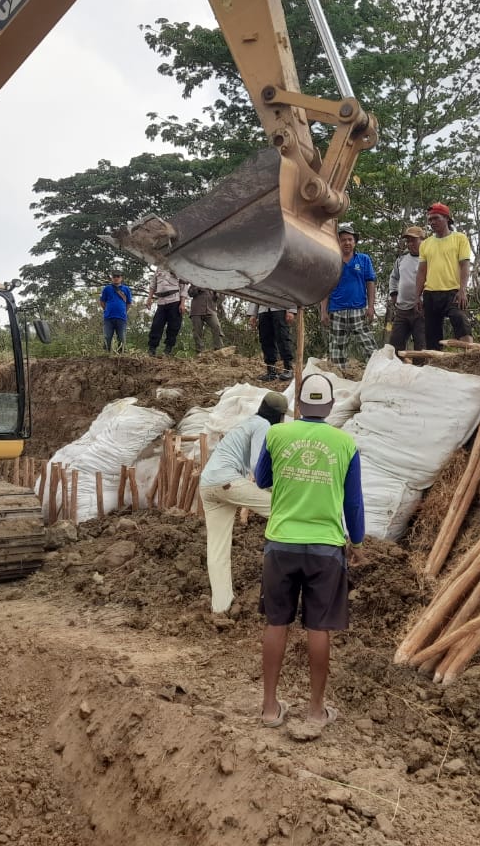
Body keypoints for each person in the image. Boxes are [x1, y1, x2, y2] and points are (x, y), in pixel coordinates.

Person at [254, 373, 364, 729]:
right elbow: (354, 504)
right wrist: (358, 542)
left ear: (299, 405)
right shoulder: (345, 444)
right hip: (325, 549)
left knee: (276, 623)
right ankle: (315, 710)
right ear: (330, 406)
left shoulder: (276, 434)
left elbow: (261, 480)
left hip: (281, 543)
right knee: (318, 628)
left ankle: (270, 708)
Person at [198, 390, 289, 614]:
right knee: (285, 509)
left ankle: (221, 608)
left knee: (217, 549)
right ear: (280, 417)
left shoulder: (247, 423)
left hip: (208, 485)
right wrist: (280, 489)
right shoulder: (263, 426)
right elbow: (259, 468)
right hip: (227, 481)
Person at [319, 223, 377, 372]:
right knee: (337, 350)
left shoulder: (363, 260)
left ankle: (376, 374)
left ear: (355, 241)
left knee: (369, 346)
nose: (347, 243)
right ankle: (340, 378)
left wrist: (371, 307)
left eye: (350, 239)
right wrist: (323, 311)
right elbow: (325, 287)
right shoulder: (331, 260)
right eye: (343, 240)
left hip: (359, 310)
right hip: (337, 311)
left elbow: (370, 283)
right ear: (338, 242)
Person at [416, 202, 473, 348]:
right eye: (430, 220)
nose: (432, 222)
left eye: (436, 218)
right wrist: (417, 296)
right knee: (431, 333)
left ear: (447, 218)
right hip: (430, 293)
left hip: (453, 292)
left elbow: (465, 265)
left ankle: (471, 355)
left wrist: (462, 290)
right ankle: (434, 363)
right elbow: (422, 271)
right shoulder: (426, 244)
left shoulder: (459, 238)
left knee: (460, 319)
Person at [386, 226, 426, 351]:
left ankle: (420, 369)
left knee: (421, 345)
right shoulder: (401, 259)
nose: (410, 244)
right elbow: (394, 277)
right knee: (395, 345)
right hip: (402, 309)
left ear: (423, 240)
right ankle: (396, 369)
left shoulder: (429, 259)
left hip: (421, 310)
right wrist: (394, 294)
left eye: (413, 240)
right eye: (408, 241)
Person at [248, 302, 295, 382]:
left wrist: (291, 310)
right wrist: (253, 314)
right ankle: (271, 372)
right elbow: (256, 292)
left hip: (280, 307)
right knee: (265, 340)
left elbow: (291, 289)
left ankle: (288, 369)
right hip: (263, 309)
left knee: (283, 338)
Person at [146, 267, 188, 356]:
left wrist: (182, 303)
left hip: (174, 300)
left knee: (173, 326)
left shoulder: (178, 267)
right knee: (156, 325)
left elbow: (184, 287)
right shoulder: (159, 269)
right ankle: (152, 349)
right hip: (161, 301)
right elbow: (153, 284)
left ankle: (168, 350)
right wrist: (149, 298)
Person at [98, 270, 132, 352]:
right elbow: (102, 302)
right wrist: (107, 310)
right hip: (108, 318)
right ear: (112, 278)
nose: (116, 278)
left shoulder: (126, 289)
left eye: (118, 276)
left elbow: (129, 303)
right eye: (114, 277)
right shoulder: (107, 289)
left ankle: (122, 355)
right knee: (107, 337)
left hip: (121, 318)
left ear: (121, 278)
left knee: (122, 338)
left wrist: (123, 311)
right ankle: (106, 355)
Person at [188, 284, 225, 354]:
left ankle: (219, 349)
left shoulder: (216, 283)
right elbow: (190, 293)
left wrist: (217, 294)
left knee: (217, 326)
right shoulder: (196, 282)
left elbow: (222, 298)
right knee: (197, 332)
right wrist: (198, 288)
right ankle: (200, 352)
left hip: (211, 310)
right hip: (197, 310)